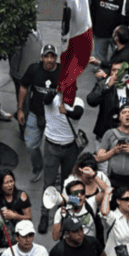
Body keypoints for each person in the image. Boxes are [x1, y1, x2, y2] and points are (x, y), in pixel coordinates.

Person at [38, 89, 86, 234]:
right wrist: (54, 93)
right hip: (52, 147)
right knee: (49, 183)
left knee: (69, 182)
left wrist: (66, 111)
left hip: (70, 148)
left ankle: (69, 212)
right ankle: (44, 215)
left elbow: (77, 113)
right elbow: (45, 99)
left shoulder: (78, 102)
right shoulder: (51, 100)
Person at [17, 44, 60, 183]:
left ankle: (55, 171)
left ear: (56, 57)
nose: (49, 59)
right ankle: (38, 166)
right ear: (41, 58)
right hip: (35, 114)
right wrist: (20, 109)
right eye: (46, 56)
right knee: (30, 144)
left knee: (55, 148)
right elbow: (23, 87)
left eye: (52, 56)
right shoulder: (34, 69)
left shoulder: (62, 72)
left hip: (54, 117)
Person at [96, 103, 129, 188]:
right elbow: (99, 158)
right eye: (124, 112)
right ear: (119, 117)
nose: (127, 115)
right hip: (112, 178)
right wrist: (112, 152)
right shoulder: (109, 133)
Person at [87, 62, 129, 143]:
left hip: (126, 135)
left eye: (120, 70)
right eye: (114, 70)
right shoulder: (103, 84)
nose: (117, 73)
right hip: (105, 133)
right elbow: (91, 101)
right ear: (110, 72)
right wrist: (107, 87)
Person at [89, 0, 127, 64]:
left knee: (119, 60)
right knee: (99, 61)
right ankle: (100, 78)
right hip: (99, 34)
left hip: (116, 36)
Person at [0, 169, 32, 249]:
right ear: (0, 185)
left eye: (11, 181)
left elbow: (28, 217)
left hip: (17, 235)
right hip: (0, 236)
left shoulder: (21, 196)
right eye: (6, 183)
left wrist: (14, 216)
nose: (10, 185)